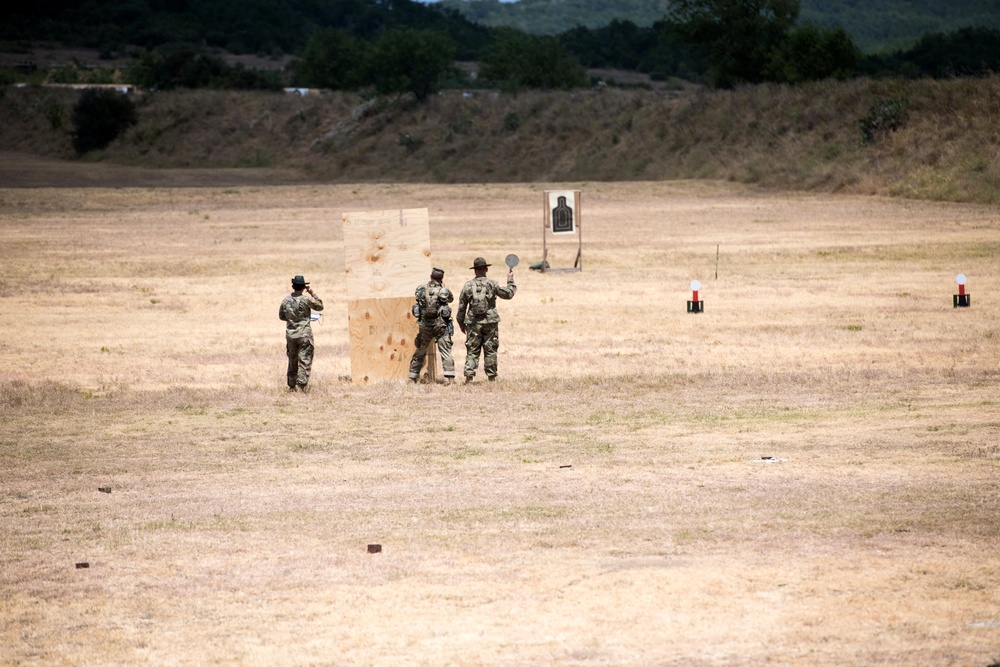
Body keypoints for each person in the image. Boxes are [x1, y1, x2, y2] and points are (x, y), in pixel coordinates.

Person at [456, 257, 516, 383]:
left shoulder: (467, 285)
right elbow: (508, 294)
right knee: (491, 349)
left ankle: (469, 377)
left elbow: (462, 307)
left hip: (473, 323)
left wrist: (461, 323)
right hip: (490, 322)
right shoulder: (492, 284)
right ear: (486, 269)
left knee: (472, 350)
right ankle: (491, 378)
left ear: (475, 270)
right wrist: (510, 279)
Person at [408, 267, 457, 385]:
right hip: (440, 326)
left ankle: (412, 377)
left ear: (430, 276)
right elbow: (450, 299)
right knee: (445, 351)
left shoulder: (421, 289)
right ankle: (450, 379)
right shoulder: (443, 291)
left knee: (421, 350)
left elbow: (418, 302)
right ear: (441, 279)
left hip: (425, 326)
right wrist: (443, 287)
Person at [278, 275, 323, 391]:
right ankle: (301, 386)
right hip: (304, 335)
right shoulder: (307, 300)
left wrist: (293, 319)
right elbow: (320, 306)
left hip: (291, 335)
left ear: (293, 286)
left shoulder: (286, 300)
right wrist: (312, 293)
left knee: (292, 360)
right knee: (305, 359)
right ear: (303, 287)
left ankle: (292, 385)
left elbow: (281, 316)